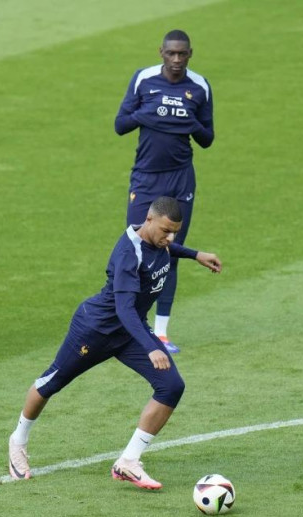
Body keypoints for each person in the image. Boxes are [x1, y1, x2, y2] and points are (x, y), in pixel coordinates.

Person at [8, 197, 222, 489]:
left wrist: (195, 254)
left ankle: (128, 462)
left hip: (130, 332)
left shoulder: (157, 239)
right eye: (166, 231)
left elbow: (165, 248)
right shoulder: (128, 253)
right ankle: (18, 441)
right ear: (149, 220)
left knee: (172, 386)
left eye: (175, 232)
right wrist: (151, 347)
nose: (170, 238)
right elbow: (124, 309)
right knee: (50, 383)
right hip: (95, 330)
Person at [114, 29, 215, 354]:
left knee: (169, 249)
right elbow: (120, 125)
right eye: (171, 53)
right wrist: (150, 112)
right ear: (161, 52)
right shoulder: (143, 79)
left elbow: (207, 138)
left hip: (180, 179)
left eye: (182, 54)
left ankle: (161, 333)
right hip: (145, 178)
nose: (176, 59)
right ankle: (130, 325)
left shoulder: (199, 86)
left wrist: (188, 120)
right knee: (136, 246)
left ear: (190, 54)